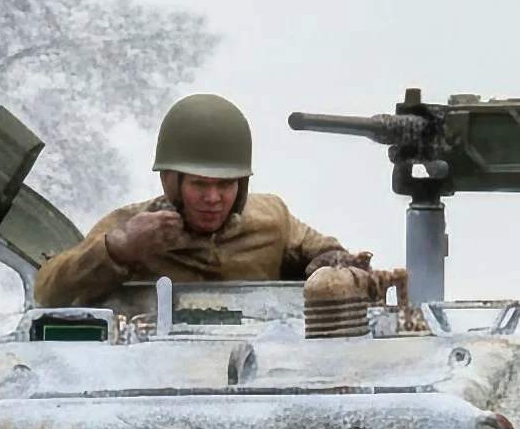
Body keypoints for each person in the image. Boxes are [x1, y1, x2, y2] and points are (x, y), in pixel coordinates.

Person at [33, 94, 367, 308]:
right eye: (199, 184)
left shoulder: (272, 218)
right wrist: (120, 248)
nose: (213, 198)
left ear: (242, 184)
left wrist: (332, 262)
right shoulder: (129, 228)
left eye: (225, 184)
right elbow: (48, 293)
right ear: (171, 181)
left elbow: (323, 251)